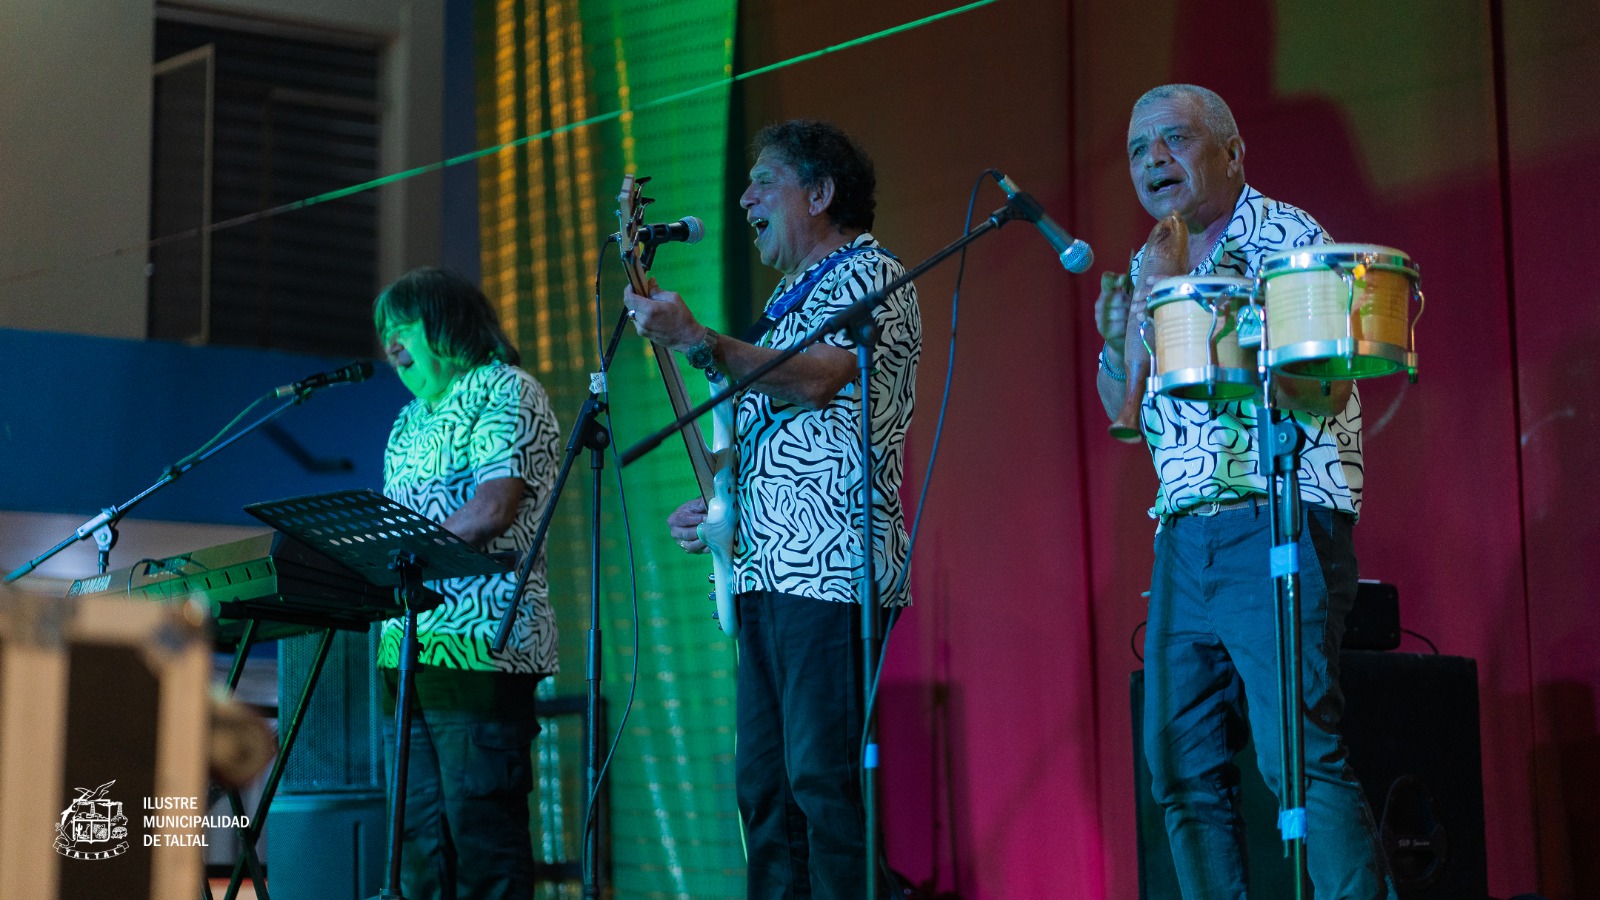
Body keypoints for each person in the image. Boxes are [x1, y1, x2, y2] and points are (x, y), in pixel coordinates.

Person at [1095, 84, 1396, 899]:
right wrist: (1119, 337)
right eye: (1135, 149)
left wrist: (1197, 315)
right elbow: (1132, 408)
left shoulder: (1289, 240)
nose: (1153, 160)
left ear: (1232, 153)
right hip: (1184, 534)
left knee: (1296, 755)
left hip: (1278, 516)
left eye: (1174, 141)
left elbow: (1320, 389)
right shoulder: (1152, 258)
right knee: (1179, 764)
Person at [623, 119, 921, 899]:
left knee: (822, 784)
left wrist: (700, 338)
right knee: (767, 791)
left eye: (764, 182)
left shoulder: (869, 273)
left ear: (820, 193)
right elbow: (769, 434)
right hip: (765, 572)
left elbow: (823, 378)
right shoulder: (787, 298)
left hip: (832, 571)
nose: (745, 197)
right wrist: (715, 503)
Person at [373, 266, 561, 900]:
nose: (391, 346)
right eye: (385, 335)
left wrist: (405, 560)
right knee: (418, 842)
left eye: (403, 329)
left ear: (447, 324)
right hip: (409, 646)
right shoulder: (408, 422)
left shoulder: (503, 390)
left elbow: (493, 507)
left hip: (483, 640)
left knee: (481, 829)